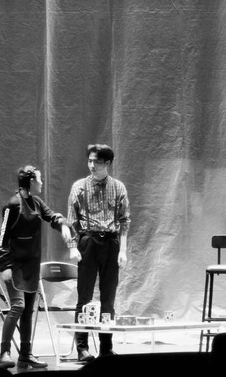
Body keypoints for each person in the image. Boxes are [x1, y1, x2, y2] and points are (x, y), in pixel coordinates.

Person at [0, 165, 73, 369]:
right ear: (30, 181)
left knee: (28, 310)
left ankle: (25, 355)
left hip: (31, 266)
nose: (42, 182)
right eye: (39, 179)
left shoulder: (36, 202)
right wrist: (4, 265)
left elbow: (51, 216)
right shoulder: (13, 205)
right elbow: (2, 238)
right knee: (18, 306)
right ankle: (4, 352)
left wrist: (63, 225)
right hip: (14, 265)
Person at [67, 143, 130, 361]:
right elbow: (71, 221)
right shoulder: (79, 187)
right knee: (84, 296)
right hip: (88, 241)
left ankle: (106, 347)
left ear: (108, 163)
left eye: (97, 161)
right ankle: (82, 347)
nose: (92, 165)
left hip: (111, 242)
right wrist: (73, 247)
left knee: (108, 298)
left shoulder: (118, 187)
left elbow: (124, 221)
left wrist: (123, 250)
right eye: (90, 161)